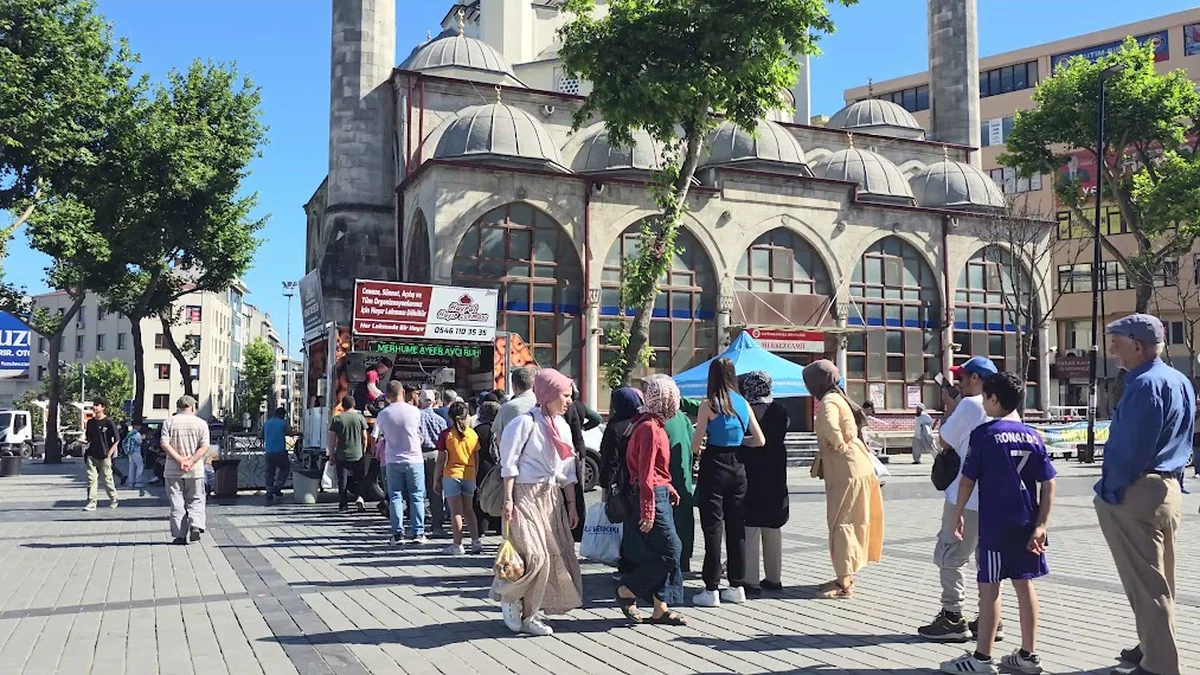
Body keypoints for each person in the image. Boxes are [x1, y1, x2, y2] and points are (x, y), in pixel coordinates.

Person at [940, 372, 1056, 675]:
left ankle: (982, 658)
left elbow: (967, 481)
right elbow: (1049, 482)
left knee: (989, 589)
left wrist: (958, 515)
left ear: (992, 399)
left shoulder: (984, 435)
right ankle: (1029, 655)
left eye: (985, 397)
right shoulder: (1032, 435)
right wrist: (1042, 524)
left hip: (995, 524)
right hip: (1027, 523)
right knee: (1024, 585)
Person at [1095, 314, 1192, 675]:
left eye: (1117, 344)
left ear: (1137, 346)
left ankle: (1159, 666)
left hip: (1137, 492)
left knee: (1147, 586)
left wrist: (1109, 491)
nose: (1113, 352)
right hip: (1167, 488)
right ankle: (1151, 647)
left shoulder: (1144, 385)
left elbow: (1129, 451)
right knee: (1160, 581)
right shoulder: (1178, 380)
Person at [490, 369, 582, 637]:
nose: (569, 401)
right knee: (536, 556)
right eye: (565, 395)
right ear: (550, 394)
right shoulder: (523, 423)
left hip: (550, 497)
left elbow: (567, 471)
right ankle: (510, 598)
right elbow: (509, 464)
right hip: (524, 495)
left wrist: (572, 504)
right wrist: (508, 499)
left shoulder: (562, 426)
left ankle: (531, 614)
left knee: (552, 560)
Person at [920, 356, 999, 642]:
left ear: (976, 379)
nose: (958, 382)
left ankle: (952, 616)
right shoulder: (1003, 407)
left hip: (966, 496)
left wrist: (952, 407)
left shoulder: (969, 405)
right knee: (984, 559)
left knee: (951, 554)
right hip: (994, 496)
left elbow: (945, 440)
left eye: (963, 377)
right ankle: (990, 618)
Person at [803, 360, 884, 599]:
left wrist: (837, 445)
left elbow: (830, 428)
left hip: (846, 471)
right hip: (857, 467)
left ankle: (844, 584)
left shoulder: (828, 401)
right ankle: (844, 575)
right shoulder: (838, 397)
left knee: (842, 524)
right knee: (850, 521)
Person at [690, 358, 766, 608]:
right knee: (736, 526)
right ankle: (736, 586)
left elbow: (696, 443)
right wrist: (740, 443)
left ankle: (711, 588)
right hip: (738, 466)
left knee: (713, 528)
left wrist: (704, 444)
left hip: (714, 465)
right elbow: (759, 440)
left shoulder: (708, 404)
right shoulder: (744, 403)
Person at [614, 375, 687, 626]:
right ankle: (629, 590)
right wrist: (648, 508)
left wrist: (669, 487)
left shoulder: (648, 422)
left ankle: (660, 608)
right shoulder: (649, 428)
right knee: (672, 550)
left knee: (658, 552)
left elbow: (655, 470)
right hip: (650, 496)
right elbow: (645, 472)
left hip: (658, 492)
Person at [738, 371, 790, 596]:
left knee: (750, 528)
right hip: (776, 475)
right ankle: (774, 578)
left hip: (750, 475)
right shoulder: (780, 411)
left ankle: (750, 580)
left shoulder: (746, 411)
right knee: (772, 527)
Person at [599, 386, 644, 577]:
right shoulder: (643, 422)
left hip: (622, 483)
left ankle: (626, 564)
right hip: (641, 479)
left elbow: (608, 458)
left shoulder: (615, 426)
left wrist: (605, 487)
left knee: (624, 524)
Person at [376, 381, 426, 545]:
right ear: (403, 392)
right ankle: (418, 532)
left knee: (395, 497)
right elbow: (419, 433)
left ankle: (398, 534)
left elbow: (378, 435)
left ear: (387, 396)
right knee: (417, 497)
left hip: (393, 459)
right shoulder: (414, 411)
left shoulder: (383, 414)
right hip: (414, 459)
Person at [434, 400, 482, 555]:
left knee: (456, 512)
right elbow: (476, 457)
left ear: (450, 417)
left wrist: (436, 478)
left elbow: (441, 459)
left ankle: (457, 544)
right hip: (469, 474)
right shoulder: (473, 434)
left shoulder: (446, 435)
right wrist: (474, 474)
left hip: (452, 474)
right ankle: (476, 542)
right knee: (469, 510)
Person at [161, 396, 210, 545]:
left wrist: (179, 460)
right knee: (196, 498)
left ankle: (179, 535)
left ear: (178, 407)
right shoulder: (201, 423)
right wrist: (191, 460)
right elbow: (204, 446)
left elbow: (164, 443)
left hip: (172, 469)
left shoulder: (169, 422)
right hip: (195, 470)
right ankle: (195, 524)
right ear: (193, 407)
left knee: (176, 502)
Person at [565, 385, 602, 541]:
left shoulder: (567, 408)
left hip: (569, 449)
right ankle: (578, 524)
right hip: (578, 449)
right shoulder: (580, 405)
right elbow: (597, 418)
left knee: (571, 488)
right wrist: (584, 428)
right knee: (577, 487)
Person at [667, 398, 698, 574]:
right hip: (684, 479)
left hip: (665, 482)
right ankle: (683, 561)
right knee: (684, 520)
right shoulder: (683, 418)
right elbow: (694, 446)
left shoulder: (658, 420)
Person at [327, 395, 369, 512]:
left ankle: (343, 504)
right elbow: (364, 437)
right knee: (360, 478)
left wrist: (331, 455)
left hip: (342, 454)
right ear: (354, 405)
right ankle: (360, 498)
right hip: (357, 454)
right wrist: (363, 450)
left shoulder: (337, 419)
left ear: (343, 405)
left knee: (342, 480)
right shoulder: (360, 418)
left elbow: (332, 439)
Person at [418, 390, 449, 532]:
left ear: (421, 400)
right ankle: (437, 524)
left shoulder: (416, 417)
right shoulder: (441, 420)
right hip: (437, 455)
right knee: (436, 489)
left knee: (418, 490)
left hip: (420, 454)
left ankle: (418, 524)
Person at [82, 397, 120, 510]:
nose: (95, 407)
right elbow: (89, 438)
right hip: (91, 454)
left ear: (103, 407)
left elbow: (117, 439)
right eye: (94, 404)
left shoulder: (109, 422)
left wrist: (110, 454)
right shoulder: (90, 422)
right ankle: (92, 502)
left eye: (97, 405)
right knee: (91, 479)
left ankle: (114, 498)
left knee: (107, 479)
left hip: (104, 455)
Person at [473, 400, 503, 536]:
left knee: (480, 496)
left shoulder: (477, 431)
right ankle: (498, 526)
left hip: (482, 466)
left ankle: (481, 527)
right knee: (497, 494)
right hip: (497, 466)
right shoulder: (500, 430)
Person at [495, 366, 537, 433]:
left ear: (514, 386)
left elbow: (498, 437)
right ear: (533, 384)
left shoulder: (507, 407)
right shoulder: (542, 404)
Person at [262, 407, 290, 504]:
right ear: (282, 415)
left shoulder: (267, 423)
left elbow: (259, 435)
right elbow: (289, 432)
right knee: (285, 468)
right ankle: (277, 486)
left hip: (269, 451)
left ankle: (269, 491)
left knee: (270, 472)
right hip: (280, 451)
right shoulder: (282, 423)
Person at [120, 423, 144, 492]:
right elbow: (139, 442)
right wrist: (142, 438)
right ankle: (138, 482)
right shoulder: (137, 434)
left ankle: (131, 482)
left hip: (130, 451)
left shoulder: (130, 433)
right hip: (136, 451)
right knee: (140, 465)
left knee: (131, 466)